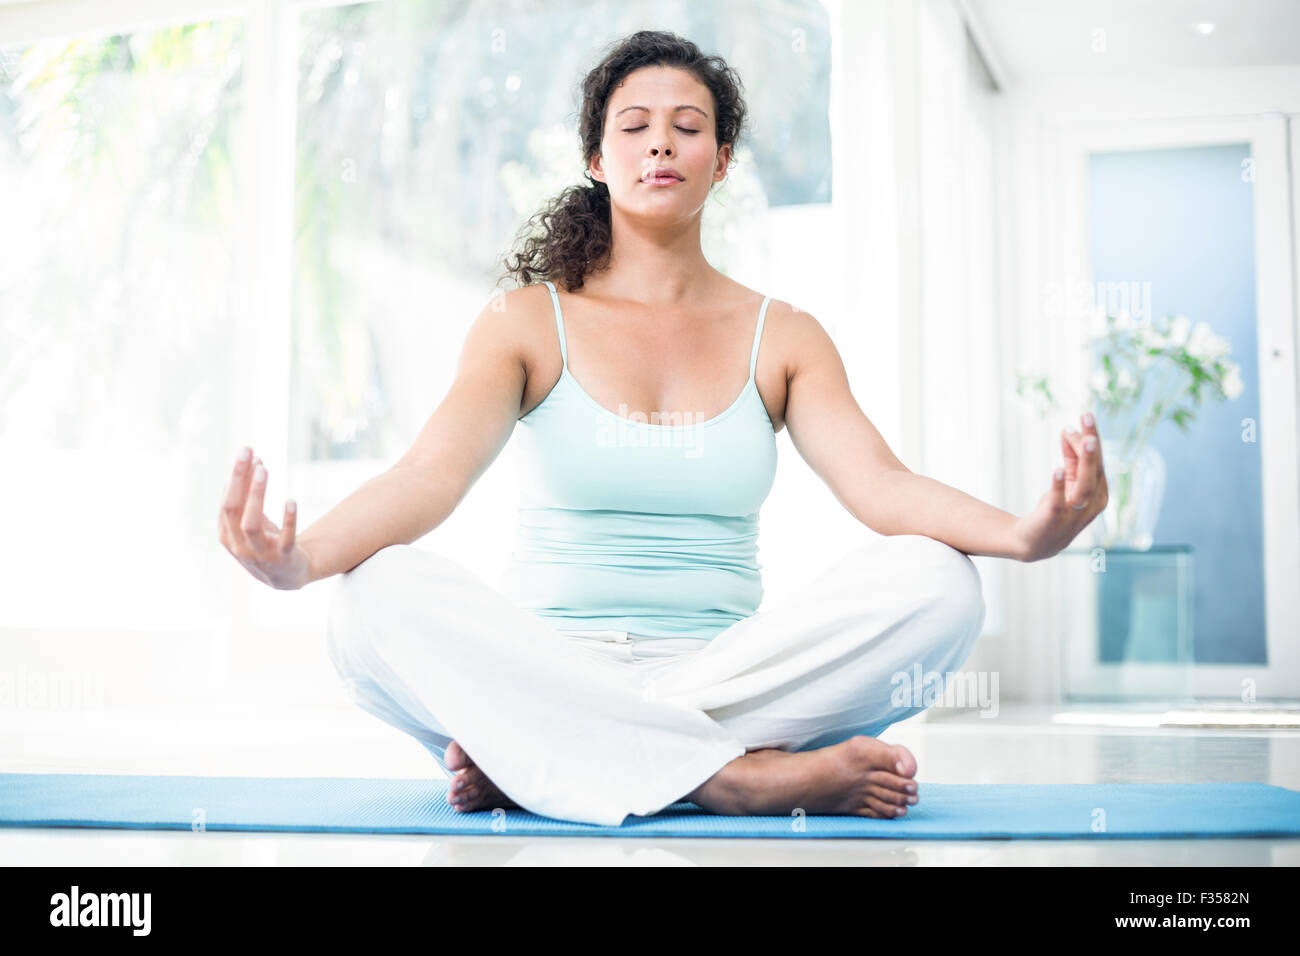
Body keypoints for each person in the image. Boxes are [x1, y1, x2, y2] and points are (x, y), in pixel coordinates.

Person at [216, 30, 1108, 827]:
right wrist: (298, 563)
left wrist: (1024, 536)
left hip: (729, 677)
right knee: (368, 600)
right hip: (541, 663)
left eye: (687, 126)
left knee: (940, 584)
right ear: (597, 158)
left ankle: (553, 762)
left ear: (722, 160)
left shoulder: (782, 335)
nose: (660, 144)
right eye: (635, 125)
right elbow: (426, 480)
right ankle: (732, 779)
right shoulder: (528, 322)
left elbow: (882, 487)